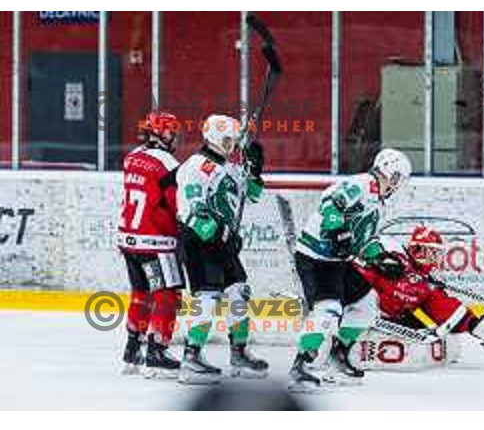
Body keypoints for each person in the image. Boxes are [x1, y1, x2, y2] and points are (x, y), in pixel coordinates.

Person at [289, 148, 412, 391]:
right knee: (328, 308)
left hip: (338, 262)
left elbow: (365, 241)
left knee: (366, 303)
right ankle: (302, 365)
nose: (397, 184)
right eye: (396, 177)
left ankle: (338, 355)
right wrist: (338, 231)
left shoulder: (379, 204)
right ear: (386, 170)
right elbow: (330, 204)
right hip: (315, 257)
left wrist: (381, 259)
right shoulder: (363, 184)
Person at [176, 114, 269, 384]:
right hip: (200, 241)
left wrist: (255, 169)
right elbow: (190, 208)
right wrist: (219, 234)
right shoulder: (197, 166)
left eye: (235, 141)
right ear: (214, 138)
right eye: (228, 140)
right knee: (208, 296)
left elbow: (251, 194)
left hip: (221, 243)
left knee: (238, 292)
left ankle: (239, 352)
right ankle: (191, 357)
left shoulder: (228, 167)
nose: (232, 146)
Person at [355, 225, 484, 349]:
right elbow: (367, 256)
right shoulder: (394, 257)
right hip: (360, 314)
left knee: (426, 322)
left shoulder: (425, 282)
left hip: (389, 321)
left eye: (437, 253)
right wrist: (378, 260)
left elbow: (442, 306)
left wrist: (474, 324)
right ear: (418, 250)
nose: (436, 258)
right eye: (433, 252)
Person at [118, 110, 182, 377]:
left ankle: (132, 351)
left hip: (128, 240)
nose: (175, 137)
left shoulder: (131, 157)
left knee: (141, 295)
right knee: (167, 295)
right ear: (160, 133)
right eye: (171, 132)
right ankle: (157, 351)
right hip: (156, 242)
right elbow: (177, 204)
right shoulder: (167, 163)